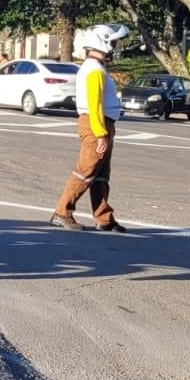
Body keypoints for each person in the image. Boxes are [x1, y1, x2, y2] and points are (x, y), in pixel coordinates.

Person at [52, 23, 131, 232]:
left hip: (103, 123)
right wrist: (100, 134)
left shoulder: (96, 67)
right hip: (96, 123)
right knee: (86, 171)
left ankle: (104, 218)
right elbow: (94, 104)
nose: (115, 46)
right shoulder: (94, 69)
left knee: (101, 174)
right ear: (103, 41)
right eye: (113, 41)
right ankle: (62, 212)